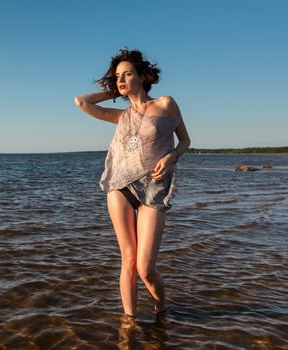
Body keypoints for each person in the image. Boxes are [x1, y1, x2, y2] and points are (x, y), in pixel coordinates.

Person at [74, 48, 191, 318]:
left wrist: (173, 156)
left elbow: (185, 140)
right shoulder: (120, 116)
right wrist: (116, 92)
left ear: (143, 76)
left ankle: (161, 307)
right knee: (128, 260)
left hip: (154, 188)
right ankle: (129, 325)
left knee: (145, 268)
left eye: (128, 74)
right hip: (121, 187)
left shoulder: (166, 104)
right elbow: (81, 101)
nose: (122, 79)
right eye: (117, 77)